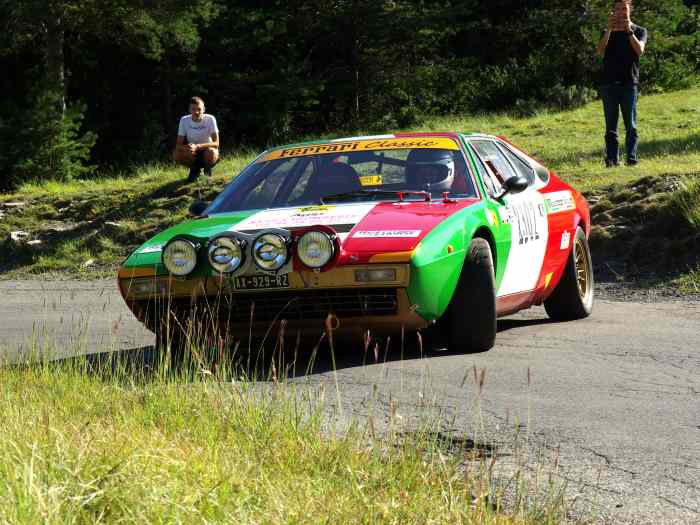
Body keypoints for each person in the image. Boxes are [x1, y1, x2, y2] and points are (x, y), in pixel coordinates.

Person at [596, 0, 648, 167]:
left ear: (630, 10)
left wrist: (628, 32)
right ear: (613, 12)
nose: (621, 12)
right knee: (611, 126)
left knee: (630, 125)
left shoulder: (640, 31)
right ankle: (612, 160)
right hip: (608, 84)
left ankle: (631, 159)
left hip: (629, 83)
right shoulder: (606, 31)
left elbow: (639, 50)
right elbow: (600, 50)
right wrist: (610, 30)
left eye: (624, 8)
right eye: (617, 9)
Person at [173, 96, 220, 182]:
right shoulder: (184, 120)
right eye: (193, 109)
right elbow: (178, 145)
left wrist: (198, 146)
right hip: (192, 151)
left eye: (199, 109)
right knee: (176, 154)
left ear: (204, 109)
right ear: (189, 110)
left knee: (212, 152)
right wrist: (188, 147)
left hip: (207, 150)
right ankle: (194, 169)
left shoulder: (210, 119)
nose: (196, 112)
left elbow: (216, 143)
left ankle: (207, 170)